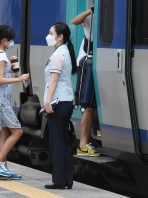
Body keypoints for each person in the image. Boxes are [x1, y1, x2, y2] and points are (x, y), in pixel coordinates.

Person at [0, 25, 30, 180]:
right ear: (4, 40)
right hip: (2, 101)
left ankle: (4, 170)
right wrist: (20, 78)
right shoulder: (1, 57)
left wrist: (12, 71)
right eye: (10, 40)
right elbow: (0, 80)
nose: (12, 42)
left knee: (4, 134)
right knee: (18, 131)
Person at [43, 22, 76, 189]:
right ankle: (66, 179)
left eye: (51, 33)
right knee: (62, 141)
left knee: (57, 142)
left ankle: (59, 180)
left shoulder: (58, 55)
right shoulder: (64, 52)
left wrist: (47, 102)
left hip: (58, 102)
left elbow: (54, 81)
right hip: (65, 101)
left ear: (60, 36)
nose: (48, 36)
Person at [72, 6, 100, 157]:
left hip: (99, 65)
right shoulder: (92, 17)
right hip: (88, 67)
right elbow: (75, 21)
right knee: (88, 106)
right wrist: (91, 10)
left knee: (93, 106)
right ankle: (83, 144)